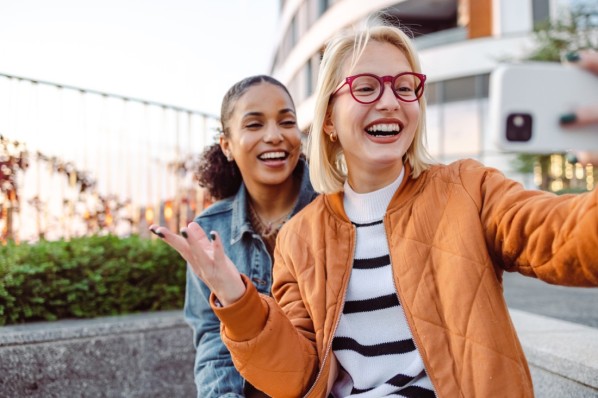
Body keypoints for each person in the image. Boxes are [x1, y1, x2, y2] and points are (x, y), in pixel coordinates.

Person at [152, 18, 598, 398]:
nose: (389, 101)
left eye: (405, 87)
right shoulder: (300, 235)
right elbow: (295, 377)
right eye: (365, 87)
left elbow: (565, 236)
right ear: (328, 119)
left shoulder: (468, 187)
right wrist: (237, 300)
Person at [151, 75, 317, 397]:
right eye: (254, 125)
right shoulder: (211, 230)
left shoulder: (334, 208)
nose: (274, 136)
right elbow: (213, 340)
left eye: (287, 122)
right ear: (227, 145)